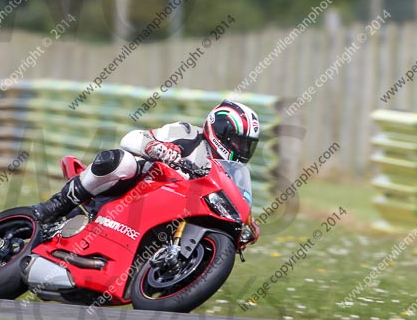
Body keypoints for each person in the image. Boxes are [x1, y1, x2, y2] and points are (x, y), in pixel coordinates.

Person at [32, 99, 261, 242]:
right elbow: (131, 138)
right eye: (238, 142)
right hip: (137, 190)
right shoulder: (188, 134)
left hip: (168, 214)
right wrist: (156, 148)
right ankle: (57, 204)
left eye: (246, 146)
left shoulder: (230, 172)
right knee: (124, 162)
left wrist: (245, 223)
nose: (241, 149)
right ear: (220, 130)